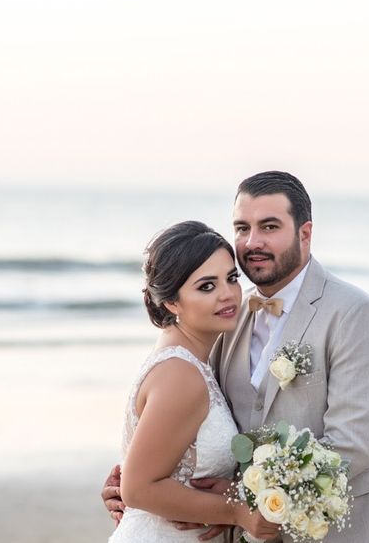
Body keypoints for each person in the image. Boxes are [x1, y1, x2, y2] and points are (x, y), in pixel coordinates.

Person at [105, 172, 369, 542]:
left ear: (305, 233)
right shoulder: (227, 316)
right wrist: (142, 486)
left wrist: (239, 496)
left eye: (269, 227)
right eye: (242, 228)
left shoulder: (353, 314)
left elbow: (351, 447)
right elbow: (184, 428)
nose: (252, 242)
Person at [107, 220, 280, 542]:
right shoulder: (181, 374)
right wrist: (235, 511)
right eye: (206, 286)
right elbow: (138, 488)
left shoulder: (190, 361)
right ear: (172, 302)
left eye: (231, 278)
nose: (228, 295)